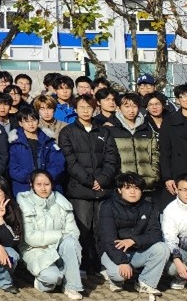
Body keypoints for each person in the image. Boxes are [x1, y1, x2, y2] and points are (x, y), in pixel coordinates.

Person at [58, 94, 117, 276]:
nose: (85, 110)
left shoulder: (104, 132)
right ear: (75, 109)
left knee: (102, 229)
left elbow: (112, 158)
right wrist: (90, 181)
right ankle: (82, 265)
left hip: (103, 189)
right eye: (81, 107)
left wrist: (103, 179)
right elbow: (70, 161)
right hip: (80, 190)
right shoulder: (67, 132)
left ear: (95, 109)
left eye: (89, 107)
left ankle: (101, 264)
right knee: (82, 229)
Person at [98, 172, 168, 295]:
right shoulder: (108, 206)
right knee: (119, 275)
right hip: (112, 251)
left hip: (136, 250)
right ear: (119, 190)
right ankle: (113, 278)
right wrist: (122, 262)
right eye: (127, 188)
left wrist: (133, 240)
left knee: (162, 248)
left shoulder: (148, 206)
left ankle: (145, 283)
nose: (132, 192)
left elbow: (156, 234)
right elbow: (108, 239)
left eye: (136, 188)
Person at [17, 170, 83, 300]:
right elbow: (30, 237)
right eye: (39, 184)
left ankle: (72, 287)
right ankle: (47, 282)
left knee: (70, 241)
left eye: (46, 184)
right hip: (35, 250)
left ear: (52, 185)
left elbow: (74, 232)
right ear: (32, 185)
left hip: (58, 247)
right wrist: (60, 234)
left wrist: (56, 241)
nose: (43, 188)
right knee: (51, 277)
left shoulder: (61, 203)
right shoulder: (25, 204)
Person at [7, 107, 65, 196]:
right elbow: (13, 168)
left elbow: (58, 163)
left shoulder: (48, 140)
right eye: (27, 121)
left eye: (33, 120)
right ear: (20, 123)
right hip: (25, 189)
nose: (31, 124)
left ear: (38, 121)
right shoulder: (14, 143)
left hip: (49, 187)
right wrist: (32, 178)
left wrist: (44, 178)